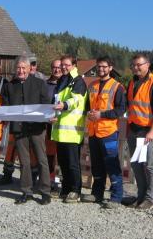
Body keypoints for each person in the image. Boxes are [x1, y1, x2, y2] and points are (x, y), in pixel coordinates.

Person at [0, 55, 52, 204]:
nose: (21, 70)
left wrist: (49, 116)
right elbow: (6, 108)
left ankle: (45, 192)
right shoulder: (9, 86)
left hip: (36, 128)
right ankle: (26, 191)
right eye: (18, 68)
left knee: (42, 160)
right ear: (15, 69)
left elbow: (46, 103)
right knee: (24, 161)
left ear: (30, 69)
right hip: (19, 128)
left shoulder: (40, 84)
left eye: (24, 68)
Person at [125, 53, 153, 210]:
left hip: (149, 131)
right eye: (133, 65)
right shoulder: (132, 82)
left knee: (150, 166)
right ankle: (141, 196)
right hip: (134, 129)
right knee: (136, 165)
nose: (135, 68)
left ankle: (150, 198)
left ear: (147, 65)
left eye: (139, 65)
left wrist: (151, 132)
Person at [85, 56, 127, 209]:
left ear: (110, 68)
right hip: (93, 132)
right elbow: (87, 106)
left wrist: (101, 115)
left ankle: (116, 197)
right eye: (98, 66)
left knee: (112, 164)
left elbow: (121, 110)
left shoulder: (118, 87)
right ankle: (97, 193)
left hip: (108, 132)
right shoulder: (93, 85)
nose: (100, 69)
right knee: (96, 164)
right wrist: (88, 113)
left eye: (104, 66)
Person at [51, 55, 88, 203]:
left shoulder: (78, 81)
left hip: (72, 132)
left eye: (67, 65)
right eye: (62, 65)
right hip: (60, 131)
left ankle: (76, 191)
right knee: (63, 163)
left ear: (74, 65)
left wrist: (65, 105)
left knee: (73, 164)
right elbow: (56, 101)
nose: (64, 67)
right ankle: (66, 189)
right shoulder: (62, 80)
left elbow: (76, 99)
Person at [44, 59, 63, 191]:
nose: (56, 70)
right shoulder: (45, 85)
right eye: (54, 67)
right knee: (50, 154)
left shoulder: (68, 84)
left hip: (64, 126)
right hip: (49, 124)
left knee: (61, 155)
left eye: (59, 67)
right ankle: (49, 179)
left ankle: (61, 180)